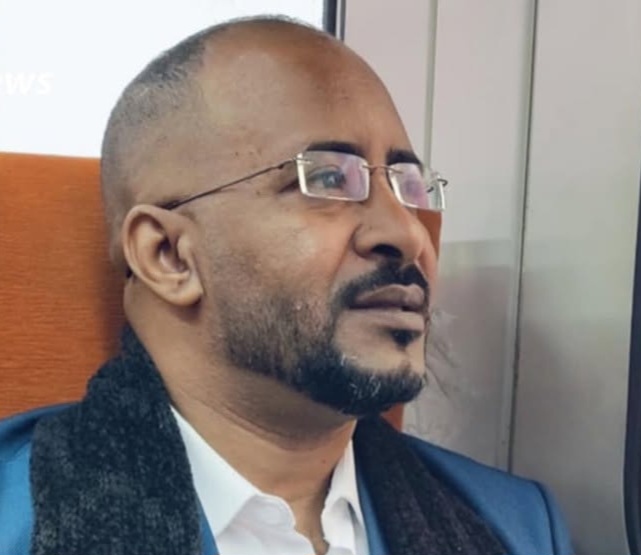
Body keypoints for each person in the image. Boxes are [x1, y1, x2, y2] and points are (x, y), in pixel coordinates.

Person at [0, 16, 573, 555]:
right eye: (327, 178)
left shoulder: (516, 526)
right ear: (167, 256)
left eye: (409, 185)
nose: (407, 233)